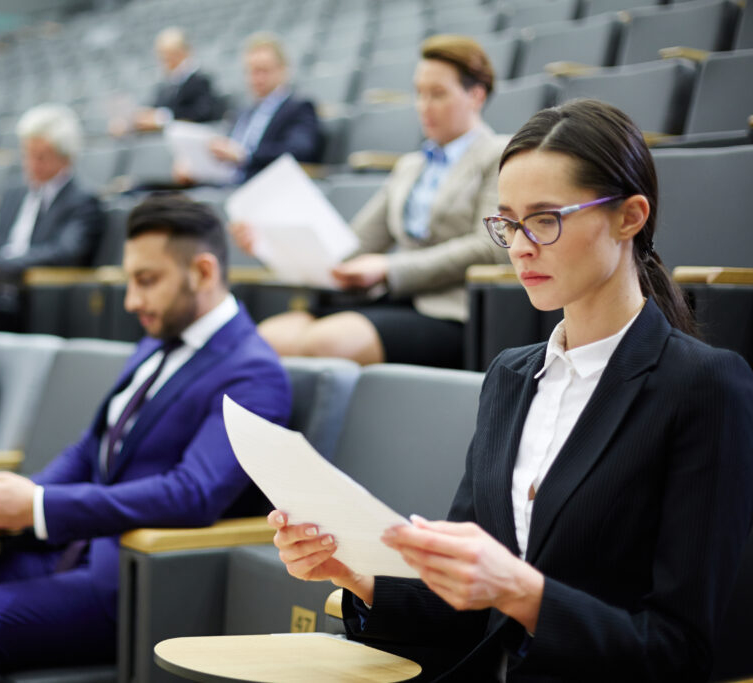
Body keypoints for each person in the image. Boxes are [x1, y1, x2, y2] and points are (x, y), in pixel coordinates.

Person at [269, 99, 753, 681]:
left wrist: (524, 592)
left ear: (630, 217)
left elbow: (681, 651)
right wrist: (354, 573)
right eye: (507, 222)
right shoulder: (509, 375)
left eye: (545, 219)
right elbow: (471, 614)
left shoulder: (703, 386)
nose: (521, 246)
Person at [0, 194, 292, 682]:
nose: (131, 301)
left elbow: (193, 493)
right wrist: (23, 499)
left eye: (146, 281)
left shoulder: (253, 373)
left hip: (130, 577)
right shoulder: (155, 342)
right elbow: (90, 447)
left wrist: (41, 506)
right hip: (60, 550)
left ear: (202, 272)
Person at [236, 35, 507, 367]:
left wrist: (389, 268)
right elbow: (354, 245)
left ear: (476, 95)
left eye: (437, 94)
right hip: (393, 300)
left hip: (451, 309)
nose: (423, 106)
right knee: (268, 338)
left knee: (326, 341)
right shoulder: (410, 167)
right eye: (419, 93)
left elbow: (489, 247)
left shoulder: (498, 155)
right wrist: (271, 246)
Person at [0, 103, 104, 330]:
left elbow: (65, 253)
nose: (31, 165)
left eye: (41, 157)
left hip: (30, 300)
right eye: (27, 154)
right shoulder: (13, 193)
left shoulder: (82, 200)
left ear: (66, 158)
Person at [176, 32, 321, 185]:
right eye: (251, 71)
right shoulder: (243, 112)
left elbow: (299, 151)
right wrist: (196, 164)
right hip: (228, 183)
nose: (257, 78)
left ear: (283, 70)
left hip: (264, 184)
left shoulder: (299, 107)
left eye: (264, 70)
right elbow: (228, 150)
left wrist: (245, 155)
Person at [110, 27, 222, 136]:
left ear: (183, 52)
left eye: (169, 55)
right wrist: (131, 123)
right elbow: (153, 108)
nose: (164, 61)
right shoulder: (165, 85)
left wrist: (161, 119)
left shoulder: (201, 80)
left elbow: (202, 113)